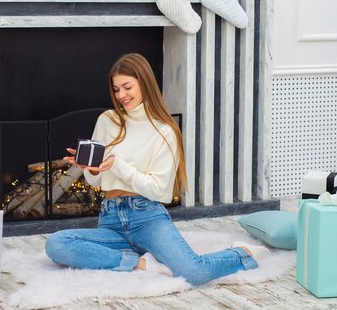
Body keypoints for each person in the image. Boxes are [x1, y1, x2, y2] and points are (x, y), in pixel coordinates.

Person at [45, 53, 267, 285]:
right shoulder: (107, 120)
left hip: (147, 218)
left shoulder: (164, 131)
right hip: (110, 218)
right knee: (57, 244)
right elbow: (96, 183)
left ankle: (243, 253)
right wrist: (91, 169)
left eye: (127, 87)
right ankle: (140, 263)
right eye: (116, 89)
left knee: (194, 272)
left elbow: (158, 190)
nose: (121, 95)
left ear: (144, 82)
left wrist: (117, 165)